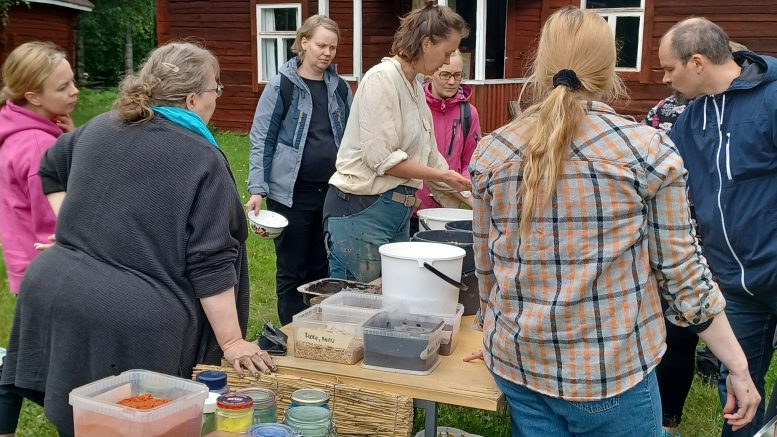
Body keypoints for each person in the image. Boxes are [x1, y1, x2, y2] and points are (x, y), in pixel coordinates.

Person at [466, 7, 759, 436]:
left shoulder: (491, 151)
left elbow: (488, 269)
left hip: (519, 366)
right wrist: (738, 364)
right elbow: (683, 276)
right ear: (609, 70)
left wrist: (492, 330)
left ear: (541, 66)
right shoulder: (647, 151)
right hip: (608, 375)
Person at [0, 42, 275, 436]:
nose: (217, 98)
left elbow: (51, 166)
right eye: (216, 89)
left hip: (52, 287)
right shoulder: (203, 159)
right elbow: (210, 261)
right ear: (193, 98)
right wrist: (231, 342)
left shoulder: (99, 126)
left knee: (85, 422)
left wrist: (71, 238)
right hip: (133, 320)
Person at [659, 17, 777, 437]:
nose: (665, 78)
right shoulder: (693, 117)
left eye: (669, 68)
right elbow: (662, 176)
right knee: (741, 385)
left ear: (696, 62)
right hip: (734, 282)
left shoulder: (772, 98)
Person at [324, 0, 472, 283]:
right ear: (427, 43)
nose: (448, 60)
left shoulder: (415, 87)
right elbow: (382, 159)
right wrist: (441, 175)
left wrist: (470, 197)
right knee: (358, 303)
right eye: (448, 51)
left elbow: (430, 157)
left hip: (398, 211)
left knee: (390, 303)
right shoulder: (382, 79)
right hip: (361, 209)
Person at [247, 15, 352, 325]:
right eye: (321, 45)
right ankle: (291, 332)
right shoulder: (282, 86)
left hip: (332, 193)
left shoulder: (340, 88)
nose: (327, 52)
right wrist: (257, 189)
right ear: (303, 42)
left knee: (322, 265)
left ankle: (318, 330)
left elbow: (351, 137)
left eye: (332, 47)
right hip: (289, 195)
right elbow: (261, 138)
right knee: (292, 267)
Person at [0, 41, 78, 437]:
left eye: (73, 81)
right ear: (32, 95)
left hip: (25, 261)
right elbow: (59, 217)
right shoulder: (37, 146)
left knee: (26, 353)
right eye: (63, 87)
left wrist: (72, 138)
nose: (74, 91)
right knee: (58, 362)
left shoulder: (22, 128)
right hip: (47, 265)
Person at [409, 49, 481, 236]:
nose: (451, 82)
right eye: (445, 74)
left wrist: (462, 185)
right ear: (431, 73)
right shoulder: (414, 106)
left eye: (457, 76)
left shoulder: (469, 113)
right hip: (413, 209)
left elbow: (470, 161)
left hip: (451, 208)